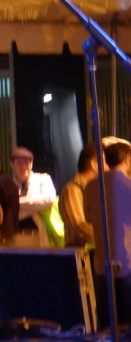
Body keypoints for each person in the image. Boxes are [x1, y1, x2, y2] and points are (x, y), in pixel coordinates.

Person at [84, 139, 131, 326]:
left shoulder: (91, 186)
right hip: (127, 264)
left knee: (106, 325)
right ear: (127, 159)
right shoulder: (128, 185)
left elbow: (88, 217)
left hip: (102, 266)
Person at [10, 146, 58, 247]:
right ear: (12, 165)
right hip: (15, 237)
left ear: (31, 164)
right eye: (19, 163)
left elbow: (49, 199)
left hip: (38, 235)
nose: (23, 166)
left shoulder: (43, 179)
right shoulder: (9, 185)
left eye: (26, 162)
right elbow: (9, 213)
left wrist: (17, 203)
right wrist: (35, 207)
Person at [59, 143, 99, 248]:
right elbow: (79, 226)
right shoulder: (73, 189)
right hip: (82, 252)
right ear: (94, 165)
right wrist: (109, 238)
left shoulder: (97, 189)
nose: (109, 167)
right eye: (106, 162)